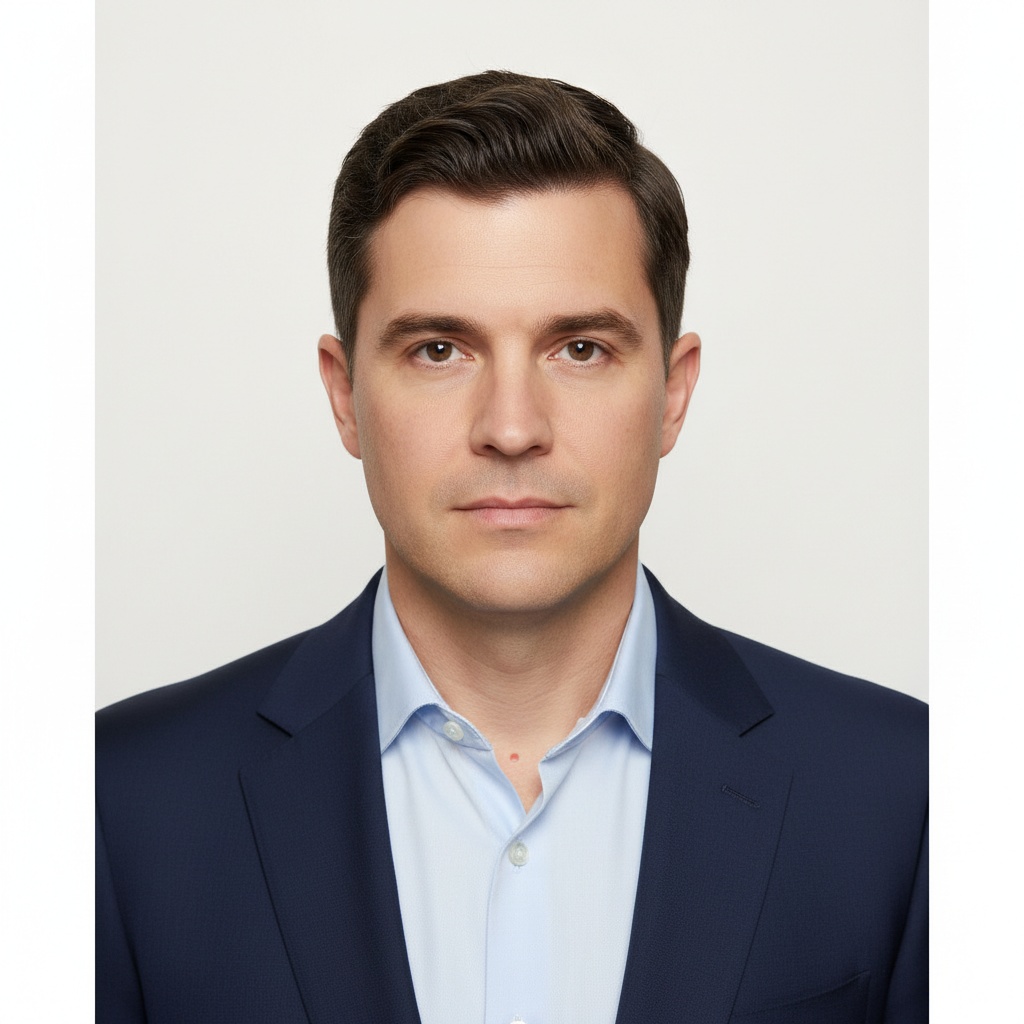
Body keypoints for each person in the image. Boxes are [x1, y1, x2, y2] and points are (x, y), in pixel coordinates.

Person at [96, 71, 927, 1024]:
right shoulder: (117, 806)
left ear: (673, 392)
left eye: (580, 348)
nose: (512, 427)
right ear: (343, 394)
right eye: (438, 349)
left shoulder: (905, 795)